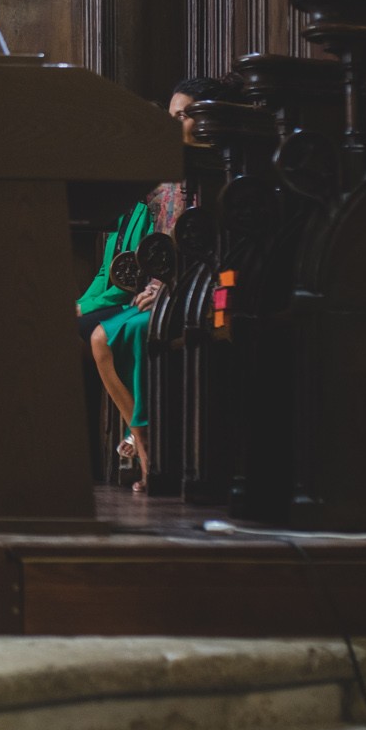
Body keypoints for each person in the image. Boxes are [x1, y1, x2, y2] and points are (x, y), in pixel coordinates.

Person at [78, 77, 231, 492]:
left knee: (146, 332)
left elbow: (220, 254)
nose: (174, 125)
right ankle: (144, 441)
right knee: (99, 339)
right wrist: (156, 285)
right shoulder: (162, 188)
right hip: (168, 293)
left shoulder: (223, 174)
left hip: (209, 294)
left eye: (183, 116)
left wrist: (168, 288)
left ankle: (155, 454)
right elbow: (154, 254)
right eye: (171, 116)